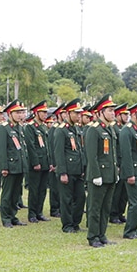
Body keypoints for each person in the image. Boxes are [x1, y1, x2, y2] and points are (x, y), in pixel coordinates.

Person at [84, 95, 118, 247]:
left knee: (105, 208)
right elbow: (92, 156)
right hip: (98, 176)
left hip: (110, 175)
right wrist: (96, 174)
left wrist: (115, 172)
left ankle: (102, 234)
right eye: (110, 111)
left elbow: (113, 154)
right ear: (101, 112)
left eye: (113, 111)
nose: (113, 113)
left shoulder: (109, 129)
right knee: (95, 208)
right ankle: (93, 236)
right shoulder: (94, 130)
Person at [52, 99, 86, 233]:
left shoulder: (77, 129)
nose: (79, 116)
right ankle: (67, 225)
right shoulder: (61, 130)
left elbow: (79, 150)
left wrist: (82, 167)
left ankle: (75, 222)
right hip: (67, 171)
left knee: (81, 197)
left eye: (79, 113)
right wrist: (62, 172)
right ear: (68, 114)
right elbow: (59, 153)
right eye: (76, 113)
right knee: (66, 199)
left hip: (77, 170)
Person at [0, 100, 28, 228]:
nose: (20, 115)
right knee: (7, 193)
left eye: (21, 112)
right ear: (10, 113)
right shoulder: (3, 128)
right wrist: (4, 167)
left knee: (16, 193)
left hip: (19, 165)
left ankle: (13, 215)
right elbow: (2, 149)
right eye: (17, 112)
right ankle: (6, 218)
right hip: (10, 166)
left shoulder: (19, 127)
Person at [119, 100, 137, 239]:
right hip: (133, 173)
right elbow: (126, 155)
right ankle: (129, 231)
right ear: (135, 114)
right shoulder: (127, 130)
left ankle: (134, 229)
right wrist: (130, 174)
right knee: (135, 202)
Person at [24, 101, 52, 223]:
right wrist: (35, 162)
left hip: (45, 163)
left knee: (42, 189)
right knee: (34, 190)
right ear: (36, 113)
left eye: (46, 112)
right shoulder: (30, 127)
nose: (45, 115)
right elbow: (31, 146)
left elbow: (47, 146)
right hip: (36, 164)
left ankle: (39, 212)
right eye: (43, 112)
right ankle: (32, 214)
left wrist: (50, 162)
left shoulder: (43, 126)